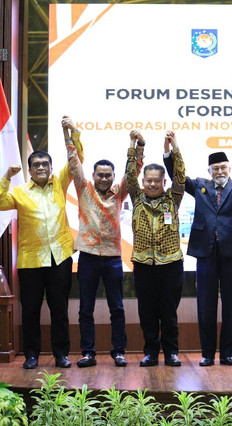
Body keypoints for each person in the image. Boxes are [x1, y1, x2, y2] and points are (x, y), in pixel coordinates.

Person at [165, 139, 232, 366]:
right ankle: (207, 354)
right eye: (215, 168)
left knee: (231, 304)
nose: (219, 171)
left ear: (229, 169)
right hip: (205, 251)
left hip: (231, 251)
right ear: (209, 171)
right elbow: (176, 176)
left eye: (223, 167)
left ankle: (227, 353)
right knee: (205, 305)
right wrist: (170, 149)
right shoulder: (200, 185)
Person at [0, 125, 83, 369]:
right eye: (35, 165)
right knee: (31, 310)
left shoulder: (60, 184)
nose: (40, 168)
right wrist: (6, 177)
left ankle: (61, 355)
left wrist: (72, 134)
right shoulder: (19, 192)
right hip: (30, 260)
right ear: (29, 170)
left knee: (60, 309)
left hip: (60, 257)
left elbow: (77, 159)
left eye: (44, 164)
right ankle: (32, 355)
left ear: (51, 167)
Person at [63, 116, 138, 368]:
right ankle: (88, 353)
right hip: (88, 258)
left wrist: (135, 145)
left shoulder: (120, 191)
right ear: (93, 175)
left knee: (117, 307)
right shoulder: (84, 188)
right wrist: (69, 133)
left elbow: (133, 170)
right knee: (86, 309)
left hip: (114, 258)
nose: (104, 179)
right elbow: (74, 162)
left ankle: (118, 352)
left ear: (113, 176)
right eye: (100, 175)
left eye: (108, 175)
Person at [127, 130, 185, 367]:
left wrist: (174, 147)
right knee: (147, 312)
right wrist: (134, 146)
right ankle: (151, 352)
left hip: (171, 263)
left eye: (156, 180)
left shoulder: (173, 198)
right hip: (143, 264)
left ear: (163, 182)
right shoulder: (136, 197)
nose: (152, 183)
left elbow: (180, 176)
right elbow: (129, 174)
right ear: (143, 182)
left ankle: (171, 352)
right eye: (148, 180)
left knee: (169, 312)